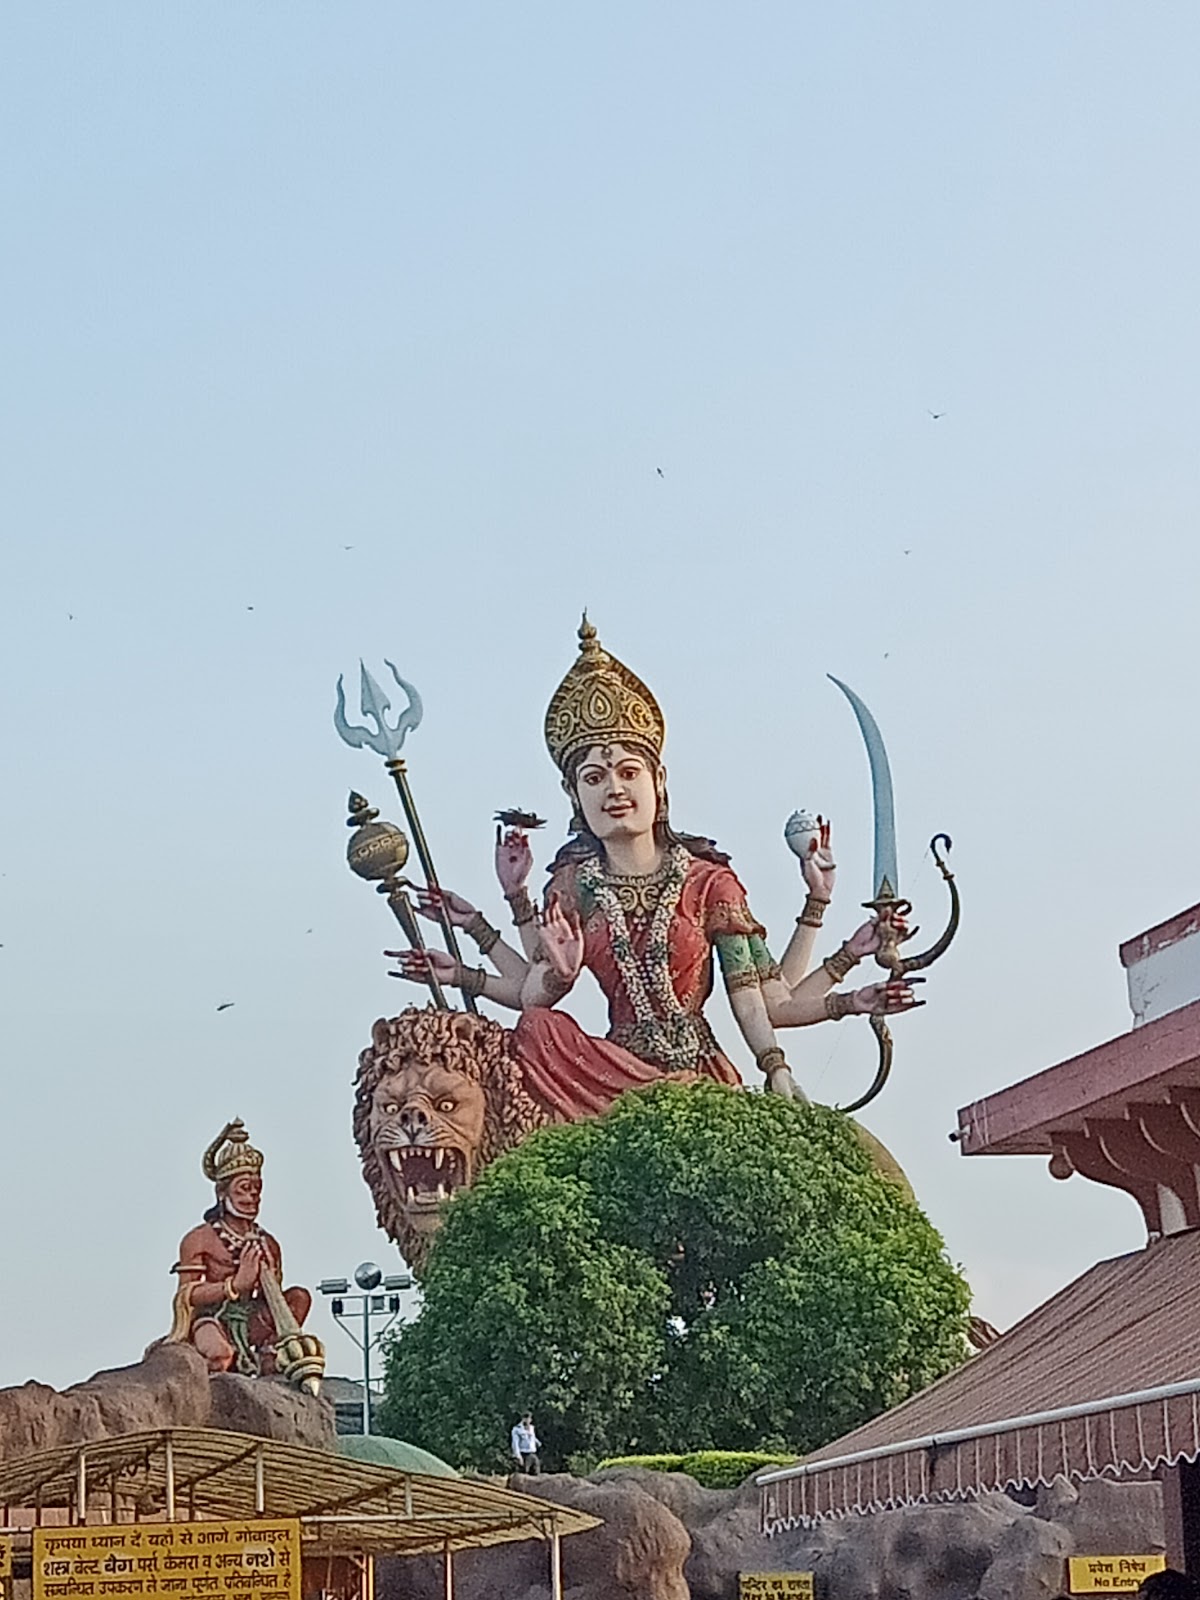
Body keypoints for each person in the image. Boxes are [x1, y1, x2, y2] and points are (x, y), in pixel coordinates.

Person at [388, 618, 918, 1110]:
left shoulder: (708, 881)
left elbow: (763, 1001)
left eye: (627, 772)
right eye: (594, 778)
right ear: (572, 794)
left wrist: (777, 1060)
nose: (614, 789)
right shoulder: (573, 885)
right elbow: (534, 994)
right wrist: (490, 944)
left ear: (657, 780)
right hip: (608, 1077)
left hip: (697, 1075)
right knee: (537, 1032)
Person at [165, 1119, 314, 1378]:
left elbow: (275, 1301)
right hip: (215, 1319)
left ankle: (268, 1355)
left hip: (251, 1317)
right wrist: (234, 1284)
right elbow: (186, 1295)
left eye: (257, 1189)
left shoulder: (267, 1242)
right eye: (244, 1189)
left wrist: (267, 1276)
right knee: (219, 1355)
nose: (252, 1197)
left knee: (299, 1297)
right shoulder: (200, 1238)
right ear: (223, 1193)